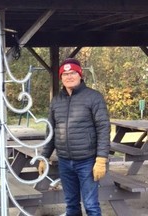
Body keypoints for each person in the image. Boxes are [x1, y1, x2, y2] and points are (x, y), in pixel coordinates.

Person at [38, 58, 110, 216]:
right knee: (71, 205)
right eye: (65, 74)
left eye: (72, 73)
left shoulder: (94, 97)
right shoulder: (56, 101)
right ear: (61, 77)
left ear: (80, 75)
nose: (69, 76)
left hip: (88, 161)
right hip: (64, 161)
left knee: (91, 205)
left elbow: (103, 128)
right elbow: (51, 130)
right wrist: (44, 156)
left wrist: (101, 159)